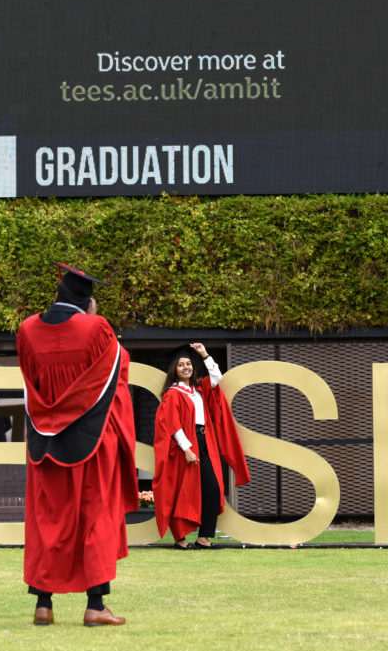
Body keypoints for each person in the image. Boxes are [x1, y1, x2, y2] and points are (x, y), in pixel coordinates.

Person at [17, 263, 138, 626]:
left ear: (56, 295)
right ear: (89, 303)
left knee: (46, 519)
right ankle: (96, 605)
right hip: (92, 441)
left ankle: (43, 604)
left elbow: (30, 378)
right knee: (95, 517)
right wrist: (95, 320)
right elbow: (119, 367)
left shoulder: (27, 330)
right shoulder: (97, 329)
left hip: (45, 444)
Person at [153, 342, 250, 549]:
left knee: (213, 489)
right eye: (181, 365)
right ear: (174, 370)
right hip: (185, 446)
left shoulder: (198, 389)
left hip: (205, 440)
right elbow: (173, 424)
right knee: (183, 491)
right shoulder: (173, 393)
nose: (186, 367)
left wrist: (205, 355)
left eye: (188, 364)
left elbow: (217, 378)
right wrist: (187, 448)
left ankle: (204, 536)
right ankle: (180, 538)